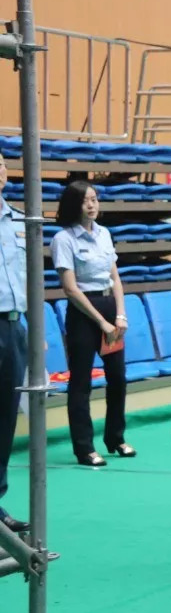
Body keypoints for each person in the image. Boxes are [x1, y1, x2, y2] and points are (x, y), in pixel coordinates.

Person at [50, 181, 131, 467]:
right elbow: (70, 289)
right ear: (74, 205)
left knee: (118, 378)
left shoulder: (105, 234)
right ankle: (84, 448)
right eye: (86, 201)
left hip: (110, 306)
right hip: (84, 312)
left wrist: (120, 315)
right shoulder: (63, 239)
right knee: (81, 382)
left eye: (95, 199)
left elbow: (115, 278)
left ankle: (116, 438)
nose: (92, 205)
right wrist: (101, 323)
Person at [0, 158, 28, 533]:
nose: (0, 171)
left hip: (13, 326)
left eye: (2, 165)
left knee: (5, 417)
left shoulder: (20, 221)